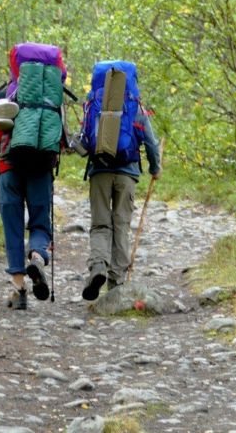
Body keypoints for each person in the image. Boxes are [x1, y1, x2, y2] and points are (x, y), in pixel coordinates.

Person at [0, 43, 67, 310]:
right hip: (41, 169)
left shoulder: (3, 95)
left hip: (8, 170)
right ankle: (38, 256)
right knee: (40, 223)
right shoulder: (53, 98)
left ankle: (18, 290)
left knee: (13, 228)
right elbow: (61, 140)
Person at [80, 61, 161, 301]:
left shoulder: (95, 105)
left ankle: (98, 267)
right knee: (121, 225)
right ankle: (116, 282)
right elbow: (151, 143)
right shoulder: (135, 107)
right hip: (127, 174)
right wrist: (155, 168)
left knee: (100, 225)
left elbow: (85, 141)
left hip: (100, 173)